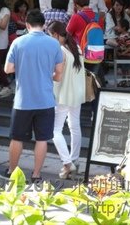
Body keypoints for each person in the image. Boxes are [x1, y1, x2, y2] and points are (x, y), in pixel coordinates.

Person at [0, 9, 64, 182]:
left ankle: (12, 171)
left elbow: (8, 69)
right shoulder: (54, 44)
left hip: (23, 100)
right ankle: (36, 175)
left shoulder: (18, 42)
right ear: (43, 25)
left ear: (27, 25)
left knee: (17, 137)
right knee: (42, 139)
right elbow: (58, 74)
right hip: (46, 100)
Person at [47, 21, 85, 179]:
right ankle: (74, 159)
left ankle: (67, 162)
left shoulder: (60, 50)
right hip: (77, 93)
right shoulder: (76, 47)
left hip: (63, 94)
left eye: (51, 36)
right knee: (74, 126)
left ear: (56, 34)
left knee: (55, 129)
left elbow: (57, 75)